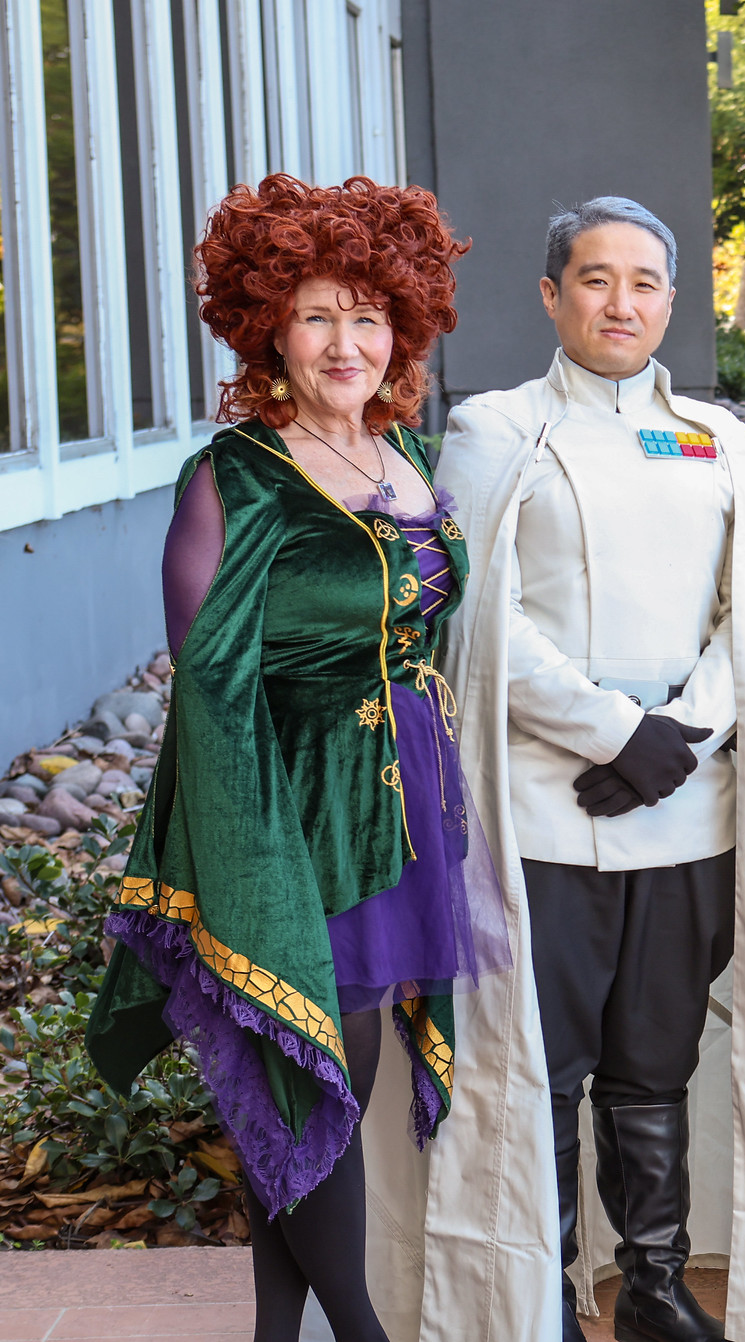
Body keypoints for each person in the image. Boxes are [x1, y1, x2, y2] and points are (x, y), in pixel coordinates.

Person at [434, 197, 745, 1342]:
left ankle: (652, 1281)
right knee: (549, 1061)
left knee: (655, 1055)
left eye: (644, 281)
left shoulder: (714, 436)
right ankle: (543, 1284)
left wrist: (677, 736)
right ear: (550, 295)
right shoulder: (494, 430)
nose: (620, 301)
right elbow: (482, 618)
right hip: (546, 803)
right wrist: (607, 732)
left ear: (672, 300)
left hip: (685, 800)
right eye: (594, 278)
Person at [85, 174, 503, 1342]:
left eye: (368, 315)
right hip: (285, 811)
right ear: (269, 323)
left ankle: (279, 1338)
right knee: (316, 1072)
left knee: (306, 1092)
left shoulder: (404, 453)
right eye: (317, 312)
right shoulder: (238, 478)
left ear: (401, 329)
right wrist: (251, 864)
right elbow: (209, 691)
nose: (345, 341)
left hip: (405, 808)